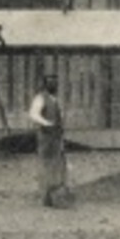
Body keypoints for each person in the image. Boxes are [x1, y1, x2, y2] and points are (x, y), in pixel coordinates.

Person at [30, 73, 70, 207]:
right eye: (50, 82)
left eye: (55, 82)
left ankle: (55, 195)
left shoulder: (55, 99)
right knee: (46, 164)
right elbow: (33, 114)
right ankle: (46, 196)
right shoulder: (40, 98)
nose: (54, 85)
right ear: (45, 84)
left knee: (58, 164)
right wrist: (46, 123)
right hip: (46, 136)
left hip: (56, 136)